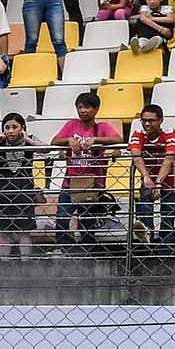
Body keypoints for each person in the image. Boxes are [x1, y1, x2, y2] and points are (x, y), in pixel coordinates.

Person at [52, 92, 122, 244]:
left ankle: (86, 252)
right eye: (80, 107)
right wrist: (69, 140)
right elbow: (54, 141)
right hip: (71, 182)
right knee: (63, 218)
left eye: (87, 107)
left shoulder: (102, 128)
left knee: (88, 223)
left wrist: (96, 140)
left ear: (96, 109)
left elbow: (118, 140)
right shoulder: (71, 125)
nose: (82, 111)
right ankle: (65, 249)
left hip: (94, 184)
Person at [0, 112, 44, 257]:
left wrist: (28, 140)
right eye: (7, 127)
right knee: (4, 231)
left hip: (24, 190)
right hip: (4, 191)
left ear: (22, 128)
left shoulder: (29, 141)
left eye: (15, 127)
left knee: (24, 231)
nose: (11, 131)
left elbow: (47, 148)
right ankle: (4, 262)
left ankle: (25, 264)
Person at [128, 102, 175, 244]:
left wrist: (158, 182)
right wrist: (146, 177)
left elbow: (169, 159)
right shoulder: (138, 134)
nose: (146, 124)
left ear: (161, 120)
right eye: (144, 120)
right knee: (144, 214)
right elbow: (136, 155)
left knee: (167, 223)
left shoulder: (169, 133)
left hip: (170, 184)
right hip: (148, 181)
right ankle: (147, 243)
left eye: (151, 120)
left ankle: (166, 252)